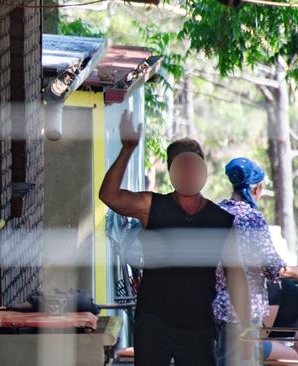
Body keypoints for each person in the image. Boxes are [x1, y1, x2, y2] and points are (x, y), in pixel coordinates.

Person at [99, 112, 250, 366]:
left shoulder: (220, 220)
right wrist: (127, 149)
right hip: (153, 322)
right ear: (171, 170)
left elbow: (236, 275)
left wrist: (246, 328)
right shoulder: (151, 206)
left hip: (198, 327)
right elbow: (109, 196)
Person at [213, 157, 298, 365]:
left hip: (215, 307)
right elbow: (272, 267)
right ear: (257, 188)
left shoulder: (216, 212)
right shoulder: (252, 219)